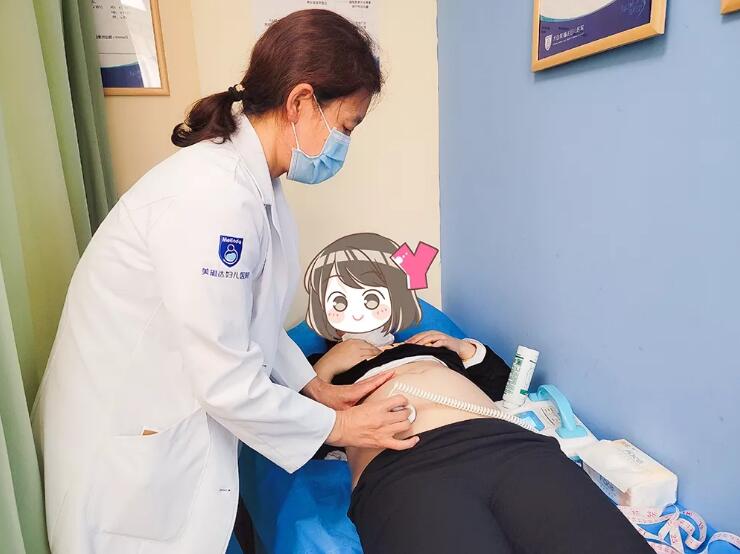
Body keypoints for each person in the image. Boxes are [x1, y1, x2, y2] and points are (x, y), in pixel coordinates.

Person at [31, 10, 417, 554]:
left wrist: (314, 389)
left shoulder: (256, 188)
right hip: (125, 454)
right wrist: (341, 429)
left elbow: (249, 321)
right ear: (302, 102)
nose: (343, 144)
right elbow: (225, 378)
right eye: (346, 126)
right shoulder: (213, 198)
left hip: (158, 433)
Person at [303, 234, 654, 554]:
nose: (358, 312)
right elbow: (296, 436)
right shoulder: (318, 371)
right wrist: (324, 369)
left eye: (371, 298)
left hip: (505, 443)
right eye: (340, 301)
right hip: (403, 467)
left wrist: (462, 348)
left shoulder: (426, 346)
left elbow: (504, 386)